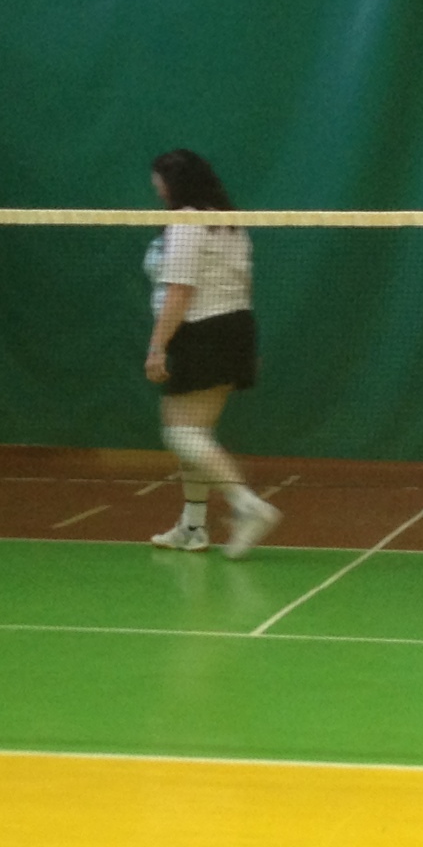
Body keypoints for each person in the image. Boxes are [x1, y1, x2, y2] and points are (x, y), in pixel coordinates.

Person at [143, 147, 283, 558]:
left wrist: (157, 347)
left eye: (159, 180)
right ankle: (193, 527)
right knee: (195, 434)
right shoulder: (228, 222)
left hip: (204, 331)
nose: (156, 187)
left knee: (182, 433)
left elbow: (180, 291)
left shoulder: (188, 222)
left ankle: (247, 505)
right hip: (232, 326)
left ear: (173, 183)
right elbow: (242, 284)